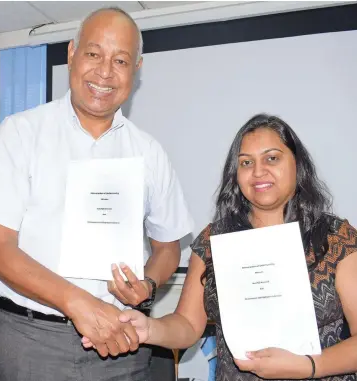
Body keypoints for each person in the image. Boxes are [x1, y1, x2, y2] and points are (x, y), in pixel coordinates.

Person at [0, 6, 193, 381]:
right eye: (93, 53)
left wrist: (148, 284)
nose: (105, 71)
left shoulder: (149, 153)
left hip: (121, 343)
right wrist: (78, 303)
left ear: (136, 70)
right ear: (71, 54)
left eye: (120, 60)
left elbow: (167, 249)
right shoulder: (20, 134)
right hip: (31, 340)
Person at [82, 113, 357, 380]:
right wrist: (149, 329)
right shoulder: (214, 240)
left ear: (297, 164)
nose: (258, 171)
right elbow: (188, 325)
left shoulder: (335, 238)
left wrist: (308, 366)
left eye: (272, 158)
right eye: (246, 163)